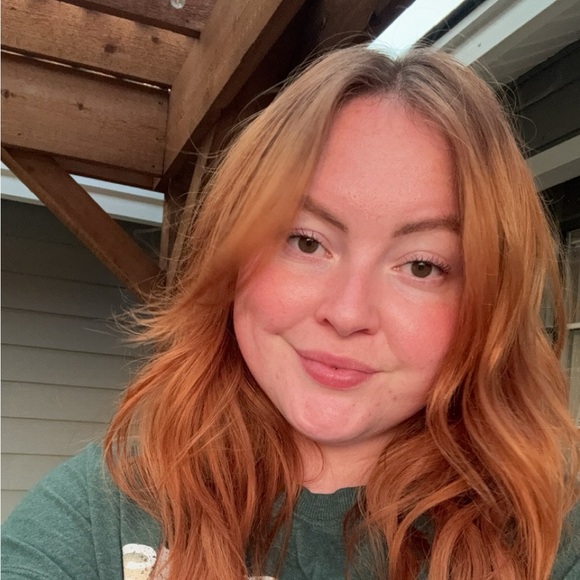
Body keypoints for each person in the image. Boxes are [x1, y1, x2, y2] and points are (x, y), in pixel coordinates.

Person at [2, 45, 579, 580]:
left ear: (489, 301)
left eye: (423, 266)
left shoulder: (551, 530)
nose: (347, 313)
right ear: (233, 250)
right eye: (306, 241)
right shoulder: (107, 509)